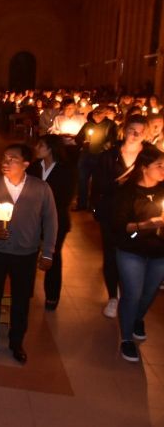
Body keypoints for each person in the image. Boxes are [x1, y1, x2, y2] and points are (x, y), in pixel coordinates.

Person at [0, 144, 57, 364]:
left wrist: (48, 251)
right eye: (4, 158)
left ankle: (16, 342)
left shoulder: (40, 189)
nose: (5, 162)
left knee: (21, 300)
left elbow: (50, 221)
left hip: (25, 252)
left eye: (12, 159)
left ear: (25, 164)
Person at [92, 115, 152, 318]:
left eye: (140, 131)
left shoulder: (152, 156)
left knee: (136, 253)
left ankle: (133, 296)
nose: (135, 135)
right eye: (131, 130)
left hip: (140, 212)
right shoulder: (109, 156)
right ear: (124, 130)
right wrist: (119, 181)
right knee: (111, 253)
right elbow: (100, 185)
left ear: (146, 133)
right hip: (112, 212)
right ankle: (112, 296)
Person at [112, 147, 164, 362]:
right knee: (132, 294)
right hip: (131, 250)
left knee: (149, 293)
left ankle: (137, 318)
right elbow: (120, 225)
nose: (163, 170)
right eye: (159, 166)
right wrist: (146, 224)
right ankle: (126, 339)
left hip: (159, 251)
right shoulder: (127, 192)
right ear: (144, 168)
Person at [28, 135, 75, 310]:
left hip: (56, 220)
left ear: (51, 148)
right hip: (33, 220)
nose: (36, 148)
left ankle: (52, 295)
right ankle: (27, 291)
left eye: (40, 145)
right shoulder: (33, 167)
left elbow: (65, 198)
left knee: (52, 256)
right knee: (29, 255)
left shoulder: (66, 170)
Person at [74, 105, 117, 210]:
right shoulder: (87, 124)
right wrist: (83, 142)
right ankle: (81, 204)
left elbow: (112, 140)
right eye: (95, 111)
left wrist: (104, 147)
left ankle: (93, 205)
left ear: (105, 114)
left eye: (100, 112)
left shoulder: (110, 125)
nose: (96, 114)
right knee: (82, 180)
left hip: (100, 157)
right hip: (85, 155)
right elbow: (78, 138)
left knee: (97, 182)